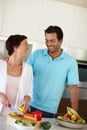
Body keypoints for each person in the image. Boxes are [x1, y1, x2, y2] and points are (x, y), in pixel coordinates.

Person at [27, 25, 79, 118]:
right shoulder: (36, 55)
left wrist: (75, 114)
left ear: (60, 41)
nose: (48, 44)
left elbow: (73, 88)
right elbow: (24, 75)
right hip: (30, 105)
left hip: (50, 111)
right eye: (46, 40)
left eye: (52, 41)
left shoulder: (70, 62)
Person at [0, 34, 33, 116]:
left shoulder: (28, 69)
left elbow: (29, 92)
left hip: (15, 116)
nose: (27, 48)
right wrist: (1, 95)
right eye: (25, 44)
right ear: (15, 47)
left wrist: (26, 100)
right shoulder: (1, 65)